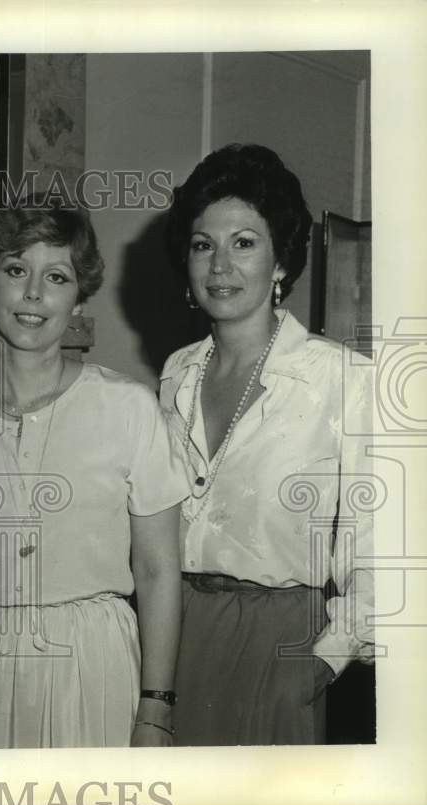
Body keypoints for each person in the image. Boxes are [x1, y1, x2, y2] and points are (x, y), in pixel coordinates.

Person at [0, 201, 187, 749]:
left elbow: (157, 569)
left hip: (94, 662)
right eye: (15, 270)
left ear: (79, 298)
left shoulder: (127, 407)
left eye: (56, 277)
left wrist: (156, 708)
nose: (33, 293)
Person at [159, 143, 375, 745]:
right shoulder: (176, 373)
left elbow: (387, 550)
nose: (220, 265)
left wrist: (324, 658)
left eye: (244, 243)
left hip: (282, 641)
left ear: (281, 262)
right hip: (174, 629)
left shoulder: (343, 380)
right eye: (204, 244)